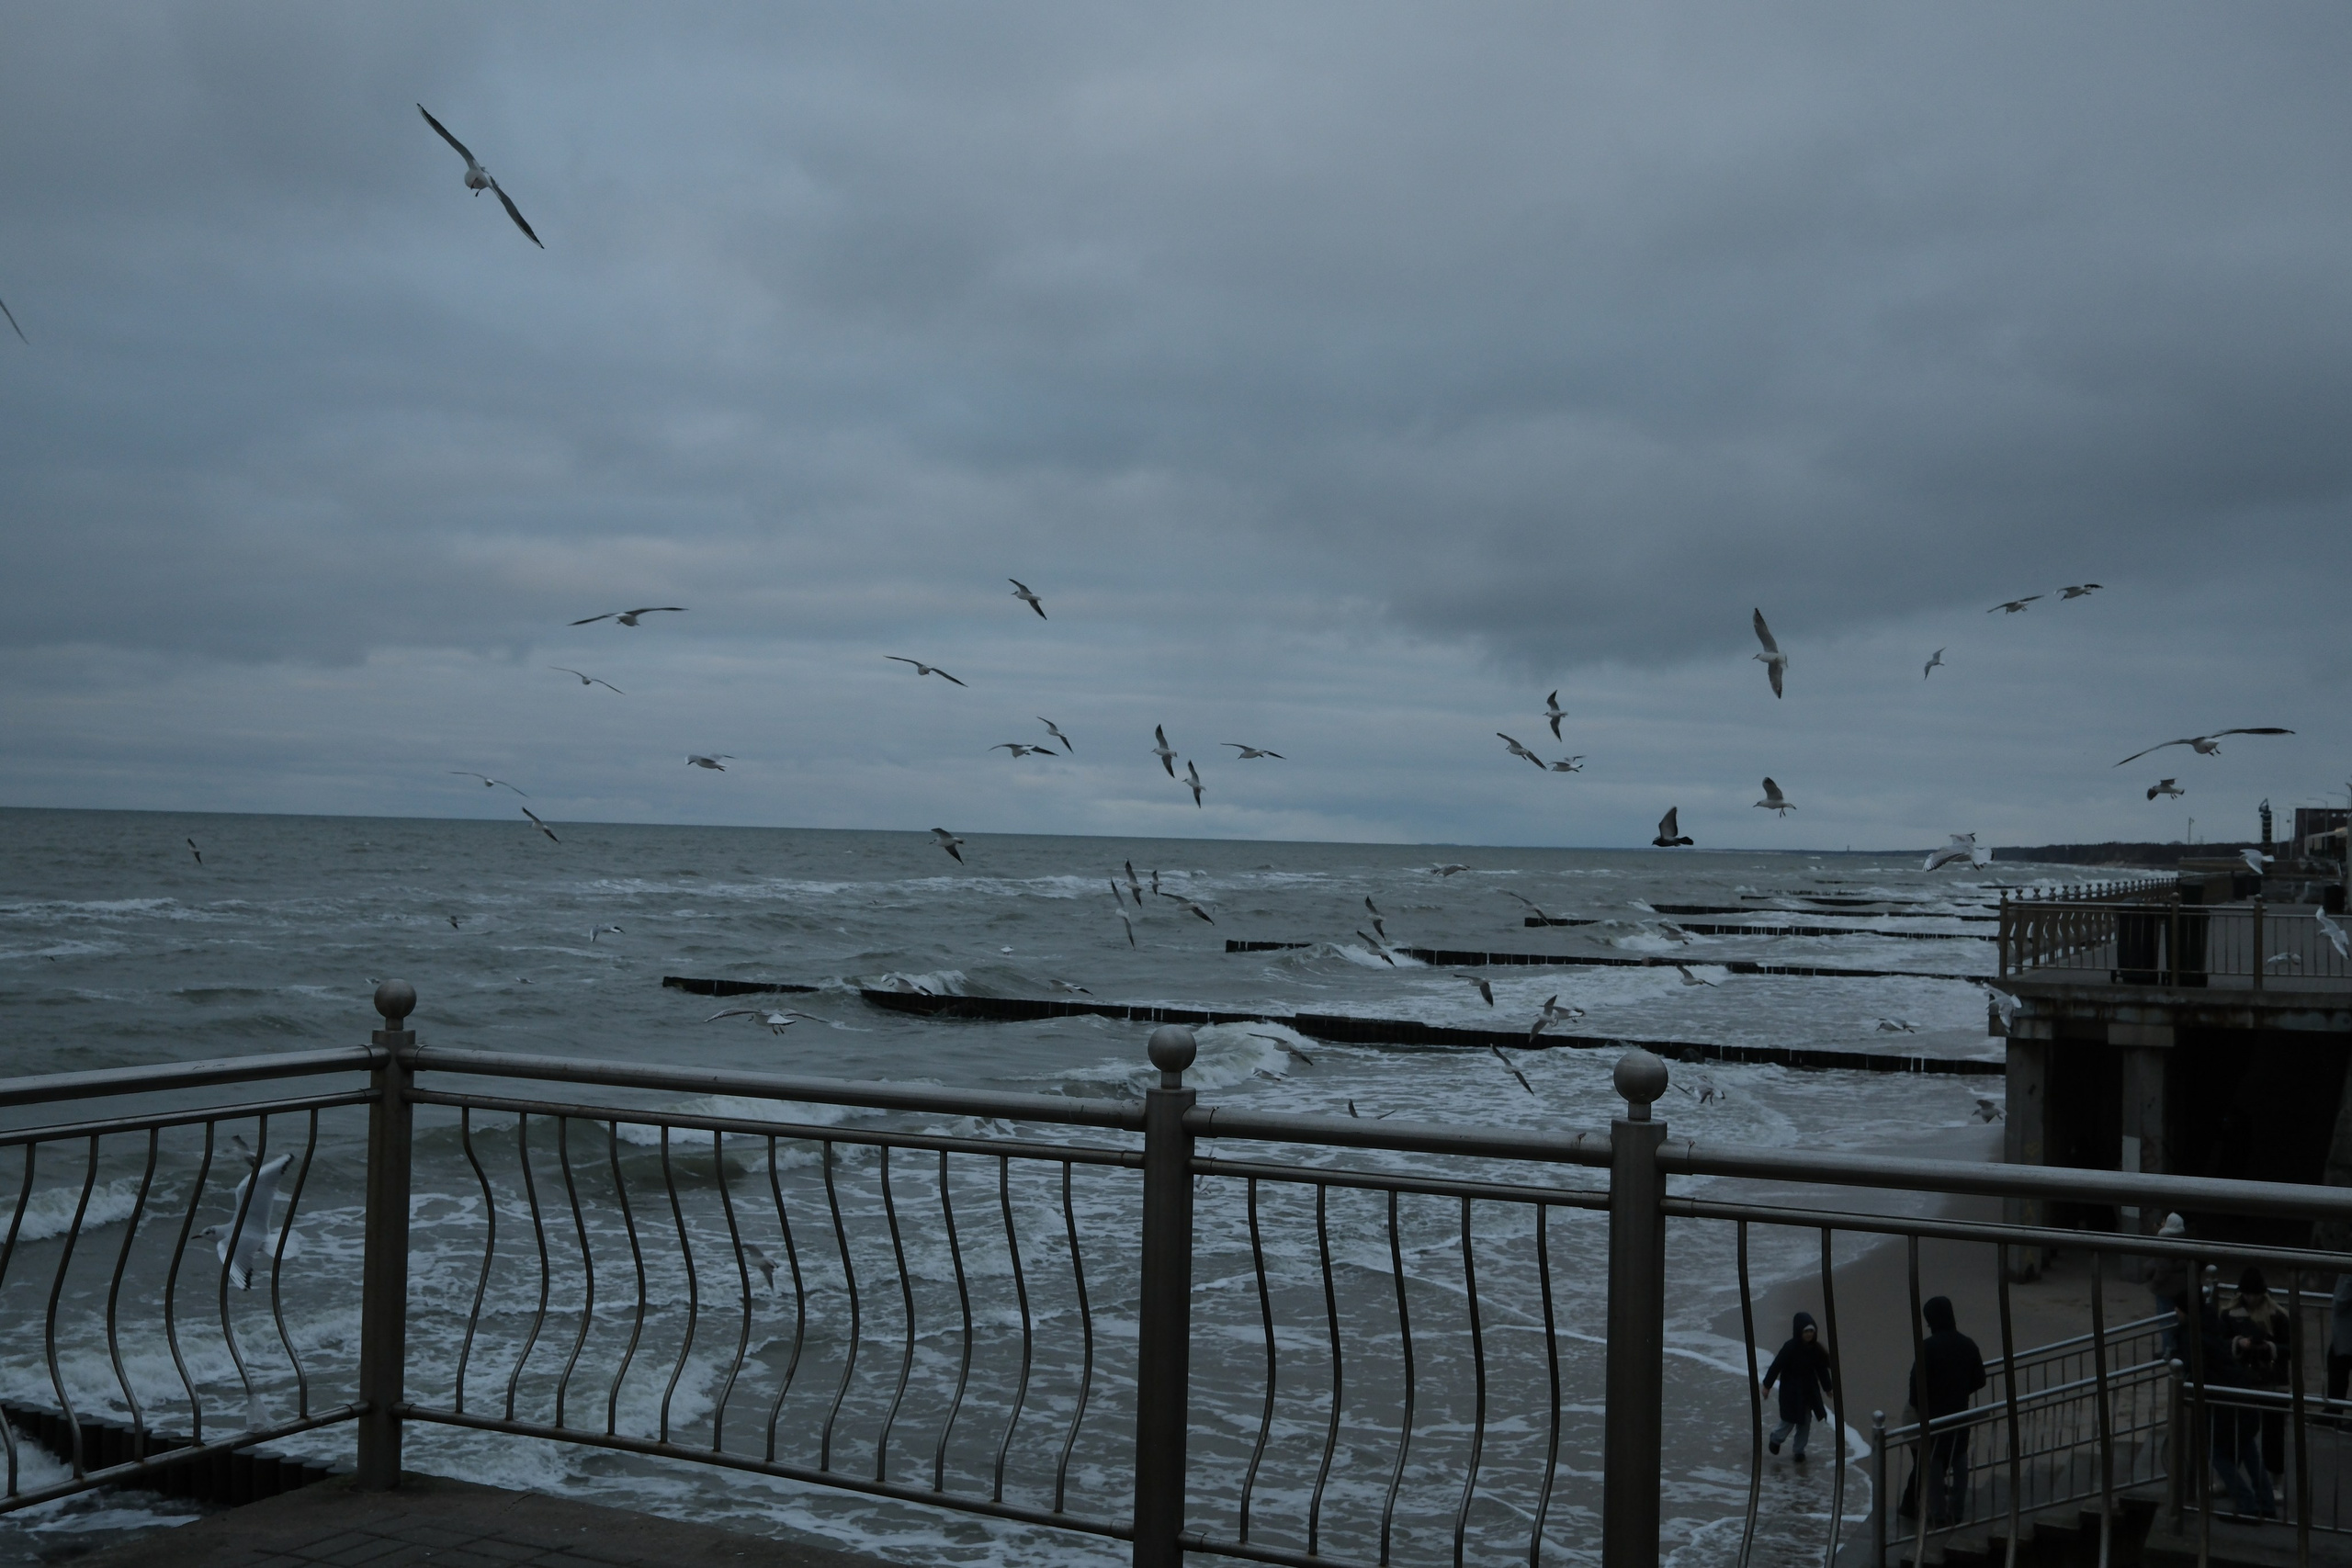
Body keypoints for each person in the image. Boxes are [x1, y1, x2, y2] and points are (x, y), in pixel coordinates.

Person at [1902, 1295, 1987, 1528]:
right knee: (1959, 1459)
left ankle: (1939, 1514)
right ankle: (1957, 1510)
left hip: (1933, 1416)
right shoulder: (1968, 1344)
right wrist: (1960, 1390)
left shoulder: (1927, 1348)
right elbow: (1980, 1380)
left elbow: (1915, 1391)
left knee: (1934, 1463)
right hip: (1959, 1412)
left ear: (1930, 1321)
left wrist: (1927, 1404)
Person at [2222, 1268, 2290, 1490]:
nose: (2251, 1298)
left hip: (2271, 1380)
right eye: (2247, 1294)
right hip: (2243, 1379)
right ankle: (2229, 1479)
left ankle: (2275, 1481)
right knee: (2235, 1432)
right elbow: (2220, 1342)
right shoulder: (2229, 1315)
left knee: (2273, 1435)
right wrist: (2238, 1342)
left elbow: (2290, 1347)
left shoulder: (2278, 1316)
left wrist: (2267, 1348)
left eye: (2254, 1294)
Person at [1760, 1312, 1834, 1461]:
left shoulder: (1815, 1350)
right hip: (1791, 1391)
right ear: (1799, 1331)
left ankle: (1799, 1450)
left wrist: (1828, 1388)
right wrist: (1767, 1385)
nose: (1808, 1335)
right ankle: (1776, 1438)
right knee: (1789, 1420)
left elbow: (1821, 1370)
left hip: (1808, 1392)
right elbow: (1776, 1366)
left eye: (1811, 1331)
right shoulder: (1790, 1347)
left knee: (1805, 1422)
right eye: (1806, 1331)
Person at [2329, 1274, 2352, 1410]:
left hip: (2346, 1335)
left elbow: (2341, 1301)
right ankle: (2333, 1410)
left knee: (2338, 1369)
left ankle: (2333, 1411)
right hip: (2345, 1336)